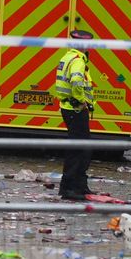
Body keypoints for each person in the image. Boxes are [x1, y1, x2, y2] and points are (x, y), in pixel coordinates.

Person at [53, 30, 97, 201]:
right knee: (78, 150)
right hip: (76, 109)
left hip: (69, 108)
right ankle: (69, 188)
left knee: (83, 148)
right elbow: (77, 82)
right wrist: (82, 100)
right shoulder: (78, 61)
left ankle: (80, 186)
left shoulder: (67, 57)